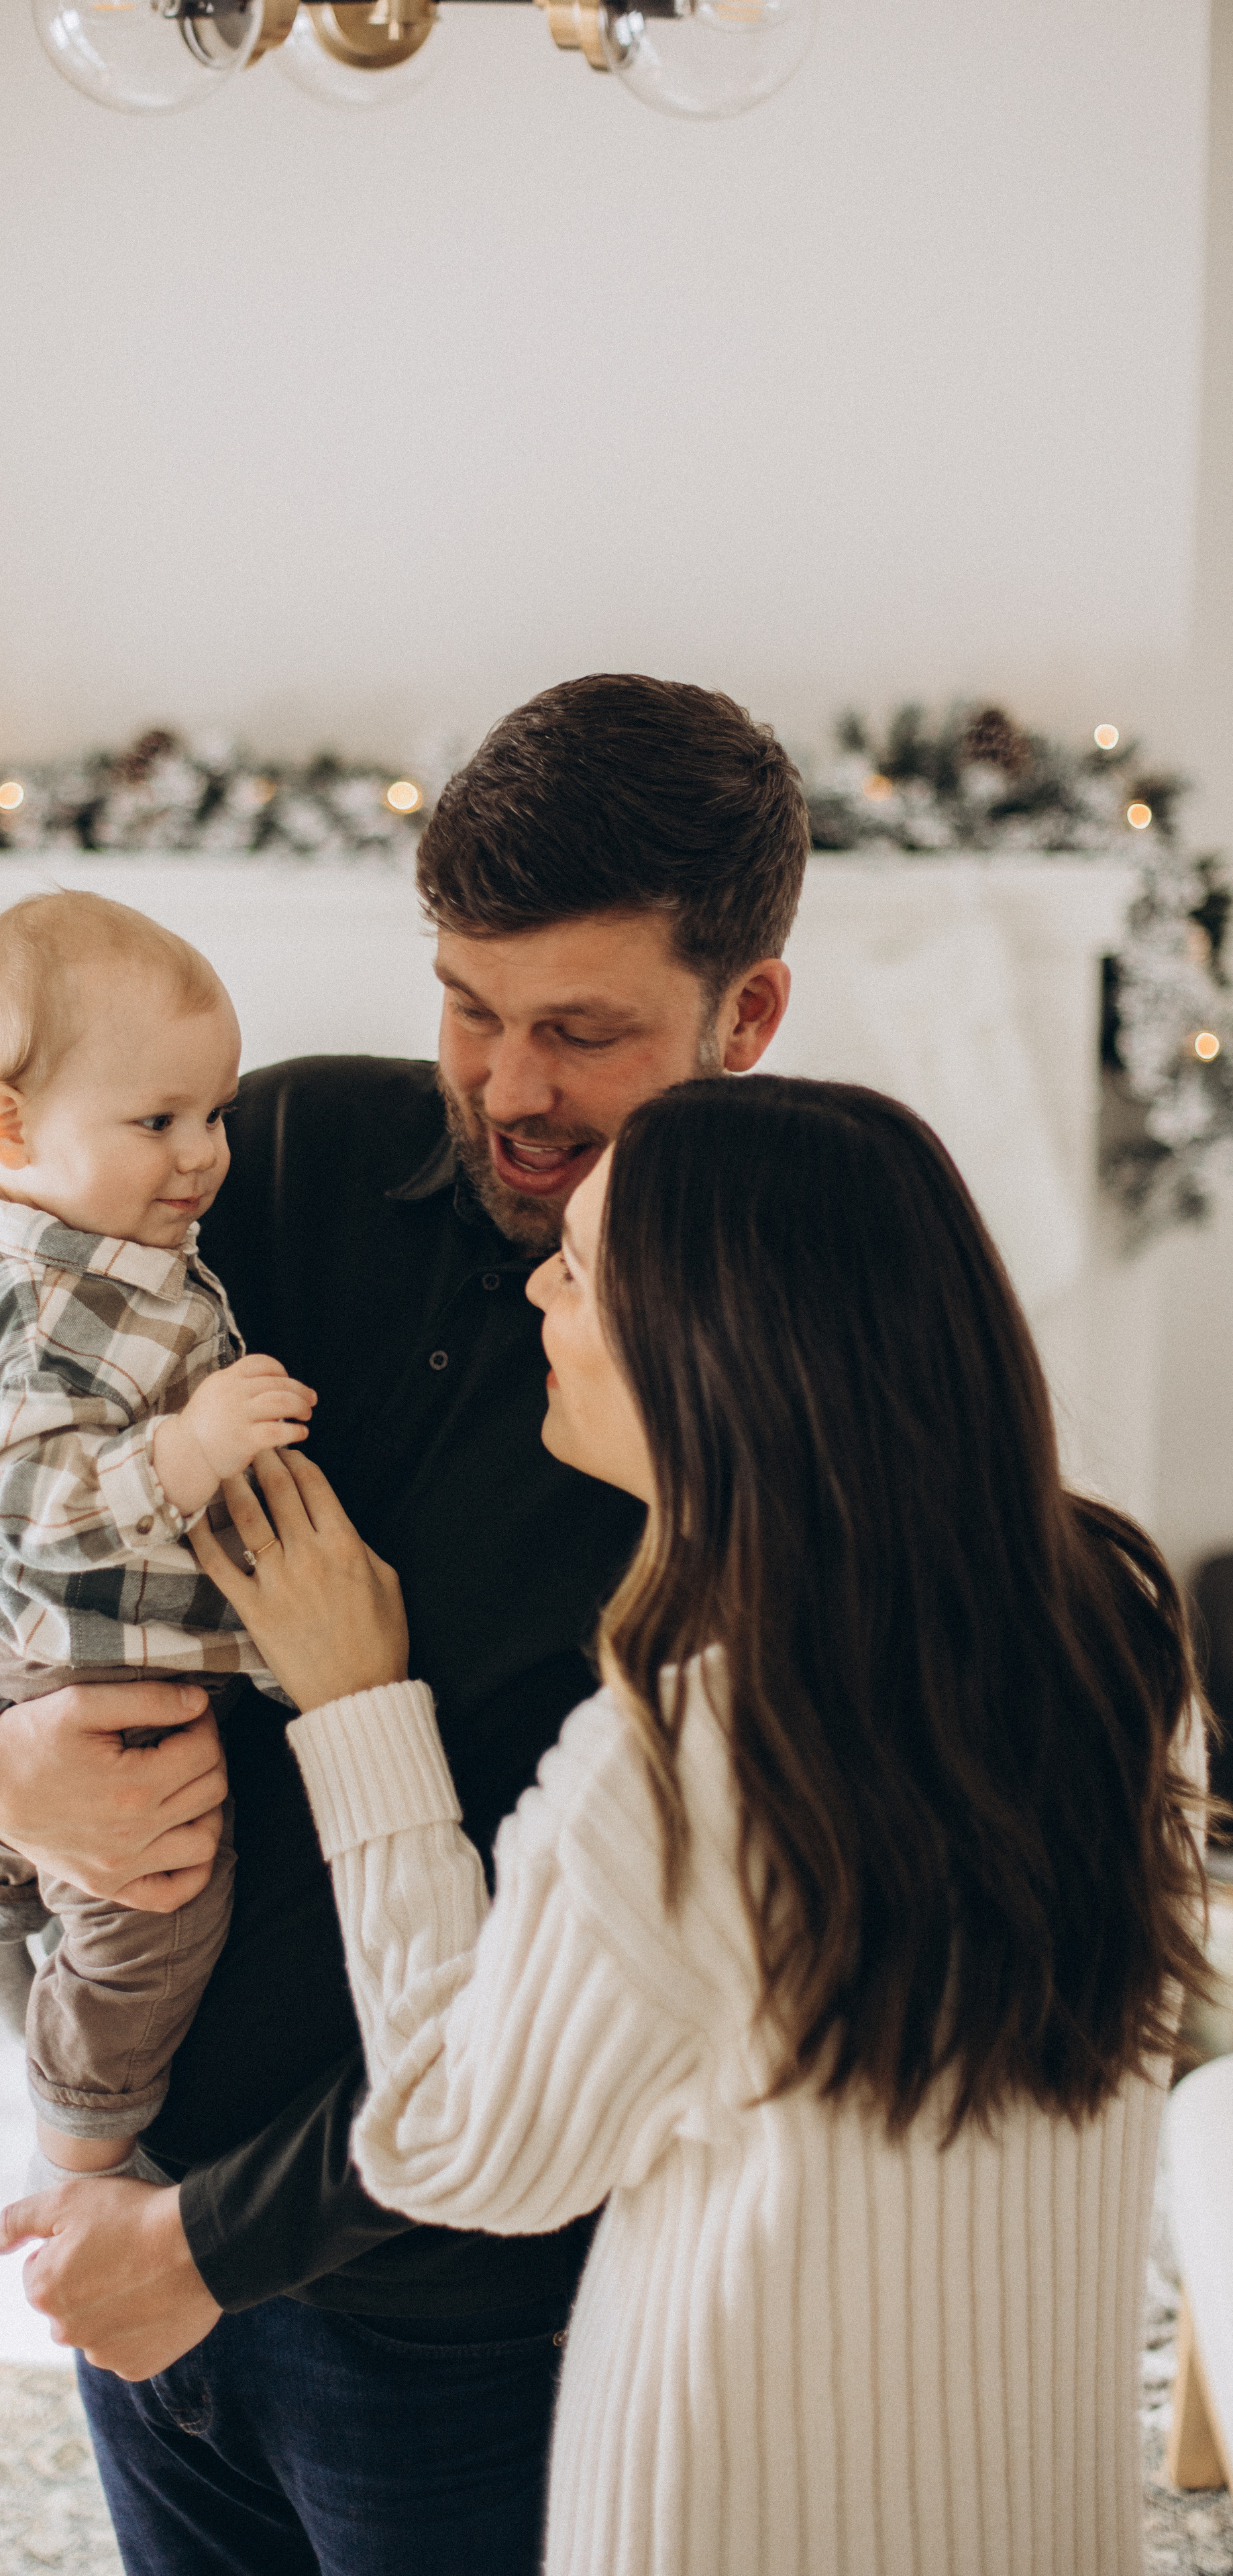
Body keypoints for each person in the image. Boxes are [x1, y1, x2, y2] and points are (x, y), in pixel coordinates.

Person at [0, 674, 808, 2575]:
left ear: (747, 1015)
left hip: (460, 2309)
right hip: (135, 2190)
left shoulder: (761, 1388)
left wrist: (204, 2250)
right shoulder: (259, 1155)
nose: (509, 1087)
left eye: (582, 1032)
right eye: (468, 1006)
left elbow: (611, 1976)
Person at [198, 1079, 1213, 2576]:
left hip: (737, 2516)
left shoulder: (680, 1761)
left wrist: (357, 1710)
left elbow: (461, 2149)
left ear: (706, 1349)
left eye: (579, 1267)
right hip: (1032, 2511)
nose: (536, 1291)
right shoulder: (1113, 1628)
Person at [0, 890, 315, 2187]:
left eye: (217, 1114)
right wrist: (188, 1449)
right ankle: (83, 2143)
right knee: (161, 1911)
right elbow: (34, 1507)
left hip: (53, 1644)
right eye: (157, 1122)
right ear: (9, 1128)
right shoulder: (44, 1313)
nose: (204, 1158)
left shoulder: (53, 1235)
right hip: (97, 1658)